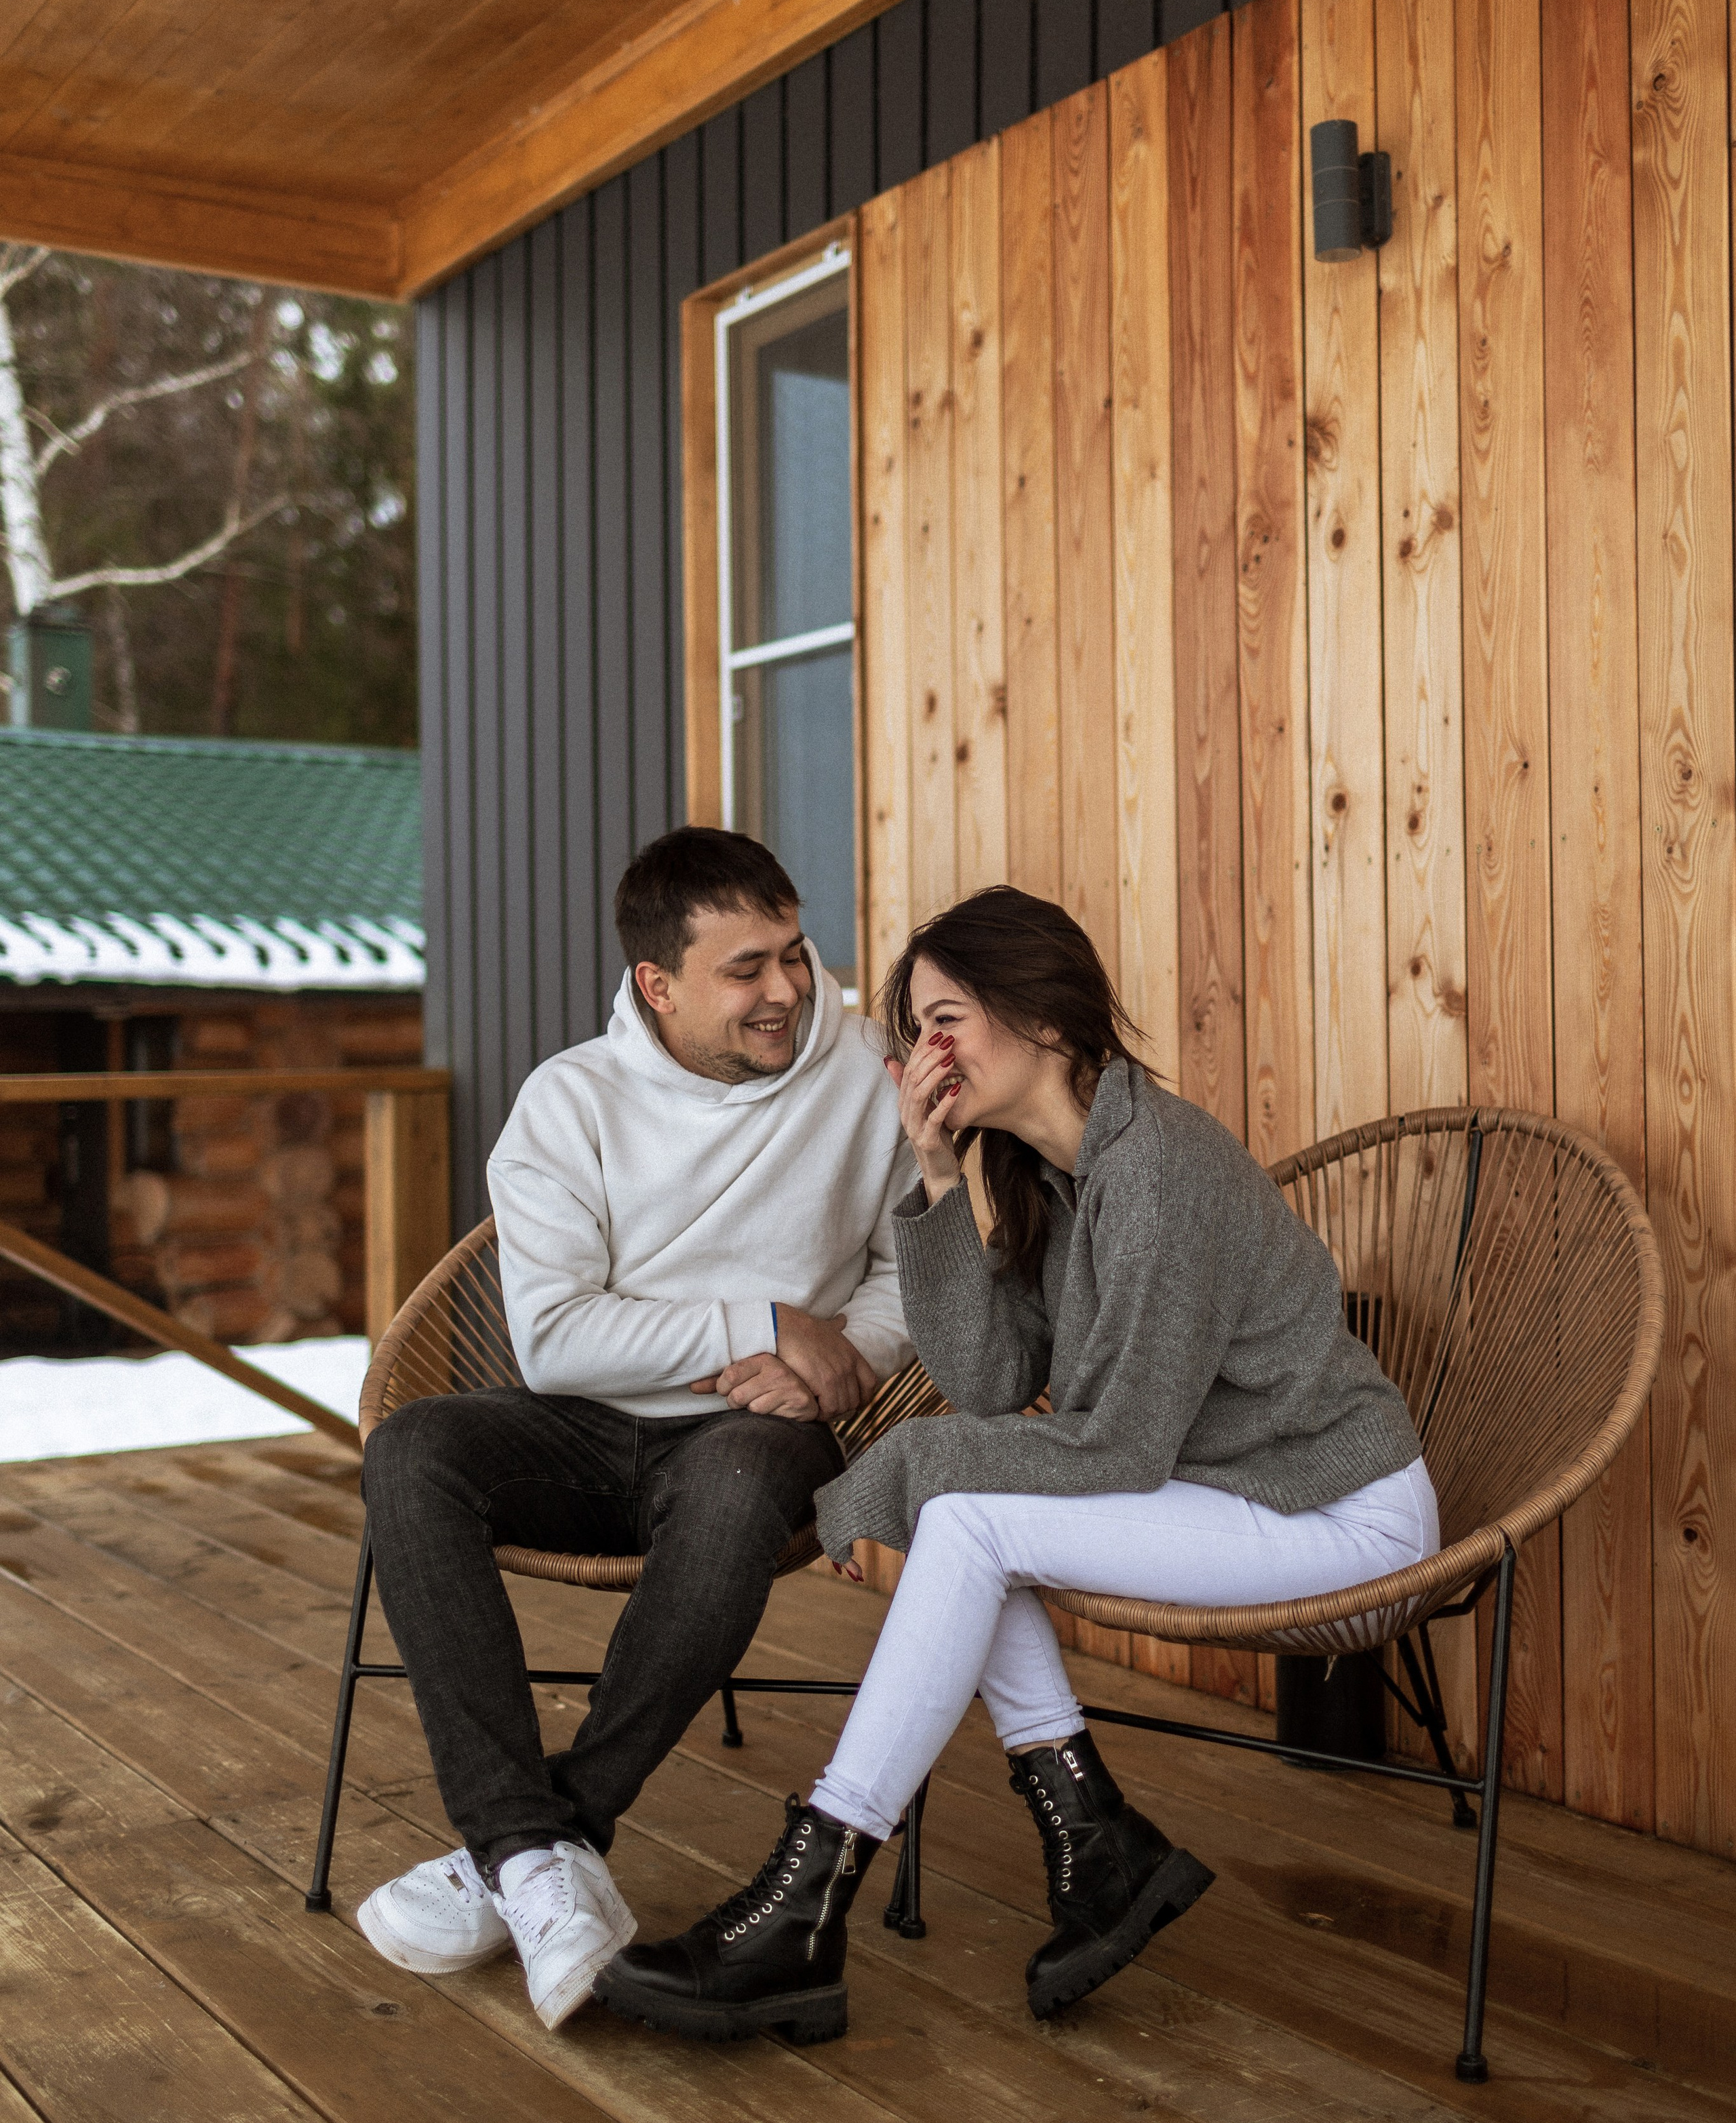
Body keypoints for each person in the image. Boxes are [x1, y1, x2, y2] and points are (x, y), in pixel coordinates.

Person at [597, 886, 1436, 2046]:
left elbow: (1120, 1446)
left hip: (1338, 1506)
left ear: (1043, 1016)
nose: (924, 1053)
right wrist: (938, 1179)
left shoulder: (1158, 1172)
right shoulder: (1057, 1174)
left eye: (946, 1018)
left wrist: (876, 1479)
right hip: (1235, 1492)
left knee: (970, 1520)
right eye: (915, 1031)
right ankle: (1089, 1849)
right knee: (971, 1518)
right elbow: (991, 1382)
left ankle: (812, 1898)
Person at [355, 827, 912, 2030]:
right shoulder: (571, 1101)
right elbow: (557, 1339)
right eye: (746, 969)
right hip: (586, 1429)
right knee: (415, 1450)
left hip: (757, 1436)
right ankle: (529, 1852)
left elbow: (912, 1263)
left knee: (731, 1487)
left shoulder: (868, 1070)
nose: (786, 991)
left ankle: (535, 1848)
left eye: (795, 955)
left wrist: (849, 1354)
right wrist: (764, 1315)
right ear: (657, 985)